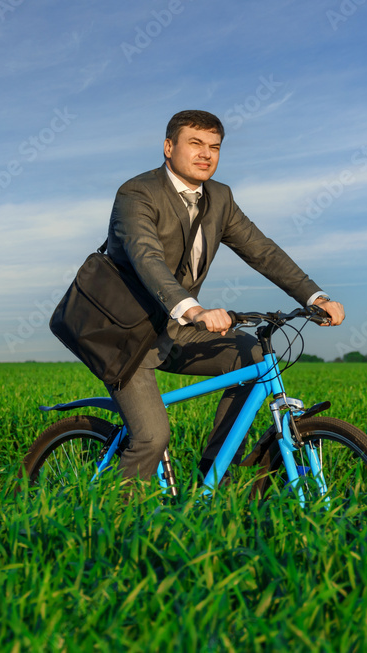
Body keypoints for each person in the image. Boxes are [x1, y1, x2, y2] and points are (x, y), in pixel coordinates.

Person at [105, 110, 344, 482]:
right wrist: (193, 309)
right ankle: (117, 527)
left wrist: (314, 297)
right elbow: (147, 258)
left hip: (174, 329)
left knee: (251, 356)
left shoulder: (219, 197)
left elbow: (261, 250)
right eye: (195, 144)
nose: (206, 154)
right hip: (124, 334)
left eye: (214, 147)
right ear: (169, 147)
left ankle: (214, 478)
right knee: (152, 436)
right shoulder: (137, 193)